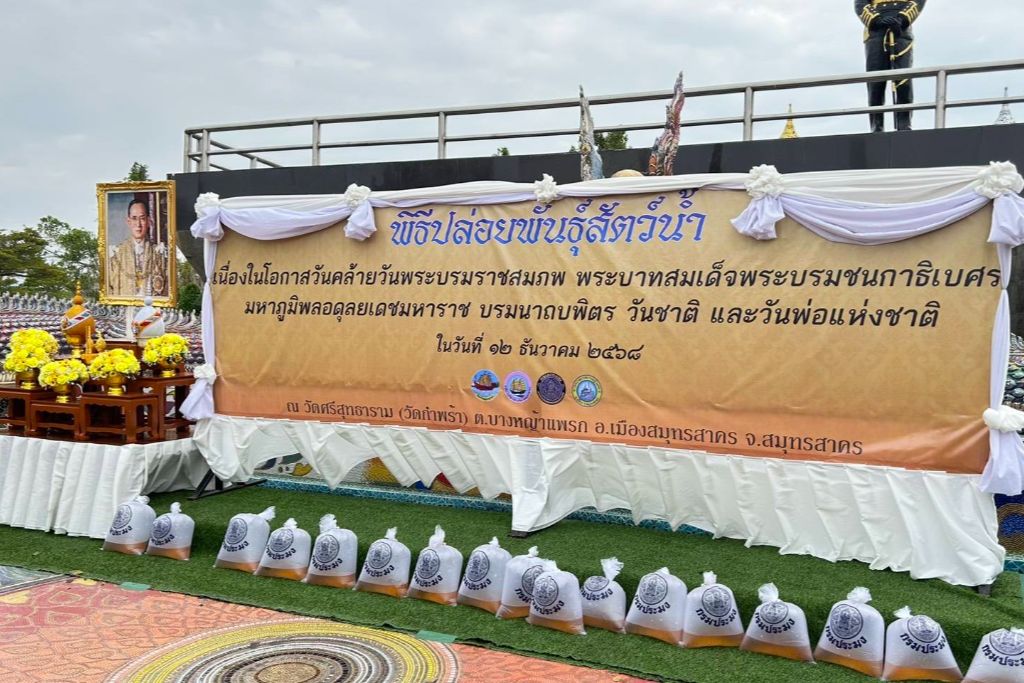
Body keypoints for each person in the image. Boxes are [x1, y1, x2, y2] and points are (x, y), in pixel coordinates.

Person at [855, 0, 926, 132]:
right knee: (875, 81)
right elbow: (860, 4)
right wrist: (876, 19)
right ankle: (876, 125)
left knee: (903, 80)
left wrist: (902, 18)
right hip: (876, 31)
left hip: (901, 30)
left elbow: (918, 2)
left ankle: (904, 123)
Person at [108, 197, 168, 298]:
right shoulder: (116, 254)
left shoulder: (159, 254)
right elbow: (109, 290)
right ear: (129, 221)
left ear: (148, 221)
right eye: (134, 218)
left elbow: (167, 290)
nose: (138, 224)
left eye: (142, 218)